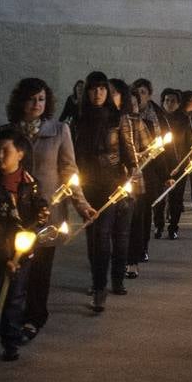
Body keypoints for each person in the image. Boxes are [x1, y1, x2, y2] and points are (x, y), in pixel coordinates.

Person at [1, 78, 95, 342]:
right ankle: (10, 317)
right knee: (15, 264)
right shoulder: (7, 131)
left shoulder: (59, 130)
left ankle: (34, 318)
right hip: (15, 210)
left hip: (47, 210)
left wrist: (82, 204)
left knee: (41, 268)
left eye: (41, 99)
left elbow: (68, 169)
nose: (36, 104)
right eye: (31, 99)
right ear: (21, 101)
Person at [0, 127, 48, 382]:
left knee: (15, 298)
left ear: (20, 154)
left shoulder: (27, 183)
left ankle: (10, 340)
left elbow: (21, 216)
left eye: (5, 151)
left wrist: (41, 214)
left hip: (18, 252)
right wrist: (3, 255)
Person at [73, 72, 137, 311]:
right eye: (93, 89)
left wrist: (131, 170)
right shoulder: (79, 119)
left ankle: (109, 283)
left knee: (105, 234)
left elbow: (128, 151)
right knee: (94, 237)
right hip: (88, 184)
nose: (98, 93)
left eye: (102, 89)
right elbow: (75, 152)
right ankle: (98, 283)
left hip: (112, 183)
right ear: (87, 92)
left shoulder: (118, 118)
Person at [111, 79, 151, 283]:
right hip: (109, 181)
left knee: (132, 223)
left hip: (132, 179)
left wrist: (139, 157)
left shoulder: (136, 122)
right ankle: (114, 264)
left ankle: (131, 261)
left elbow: (149, 149)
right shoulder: (105, 120)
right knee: (112, 225)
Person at [129, 78, 166, 267]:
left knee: (143, 213)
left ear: (149, 94)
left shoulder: (155, 116)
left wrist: (166, 175)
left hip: (149, 172)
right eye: (137, 93)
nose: (140, 96)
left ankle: (142, 247)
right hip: (129, 172)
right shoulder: (125, 120)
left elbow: (161, 148)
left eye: (143, 92)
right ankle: (127, 250)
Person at [155, 88, 192, 239]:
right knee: (159, 197)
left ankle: (173, 227)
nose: (170, 103)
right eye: (167, 100)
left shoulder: (184, 119)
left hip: (179, 163)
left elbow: (190, 140)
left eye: (173, 101)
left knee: (176, 198)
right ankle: (158, 225)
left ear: (178, 103)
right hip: (160, 163)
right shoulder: (157, 118)